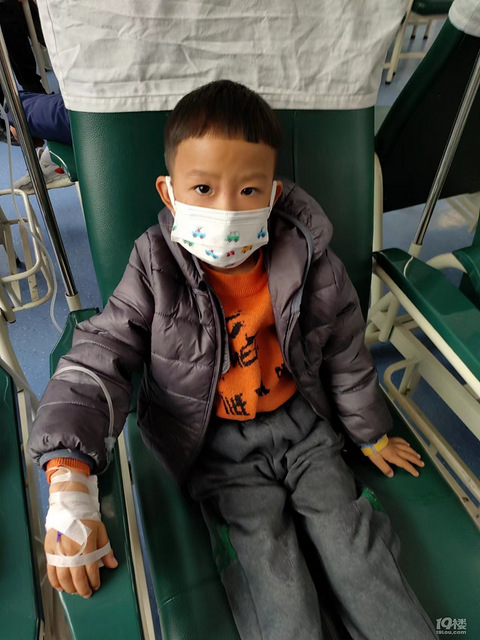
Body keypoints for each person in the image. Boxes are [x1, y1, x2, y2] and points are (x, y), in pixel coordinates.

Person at [27, 80, 436, 639]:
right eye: (202, 187)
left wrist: (370, 433)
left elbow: (345, 349)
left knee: (355, 550)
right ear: (169, 192)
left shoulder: (308, 258)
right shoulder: (154, 266)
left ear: (273, 193)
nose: (226, 209)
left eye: (248, 190)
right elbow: (102, 353)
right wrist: (69, 474)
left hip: (305, 432)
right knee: (274, 577)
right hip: (217, 449)